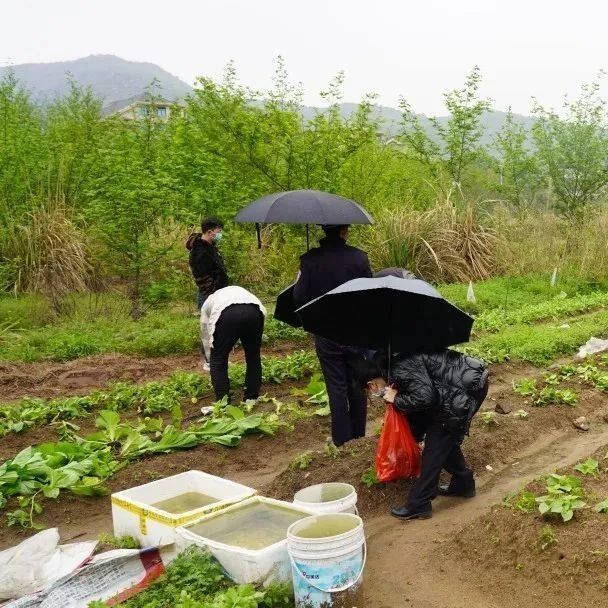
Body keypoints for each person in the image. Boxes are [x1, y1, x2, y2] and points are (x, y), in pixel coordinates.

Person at [355, 349, 489, 520]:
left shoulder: (398, 367)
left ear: (371, 384)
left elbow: (424, 397)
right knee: (444, 438)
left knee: (435, 445)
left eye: (372, 390)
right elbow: (422, 396)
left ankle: (419, 502)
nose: (375, 392)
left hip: (465, 388)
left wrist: (396, 399)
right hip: (462, 381)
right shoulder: (393, 364)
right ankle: (463, 483)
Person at [293, 224, 372, 447]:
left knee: (336, 386)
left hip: (326, 330)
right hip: (355, 331)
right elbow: (370, 294)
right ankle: (359, 437)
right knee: (357, 383)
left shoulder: (310, 260)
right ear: (344, 230)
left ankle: (341, 439)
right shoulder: (359, 258)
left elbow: (299, 297)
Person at [200, 286, 266, 403]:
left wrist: (209, 358)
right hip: (255, 311)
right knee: (253, 356)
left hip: (226, 313)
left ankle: (223, 401)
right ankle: (251, 397)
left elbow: (205, 334)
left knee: (218, 359)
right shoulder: (237, 291)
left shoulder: (207, 303)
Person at [186, 217, 229, 311]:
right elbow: (201, 276)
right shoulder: (200, 251)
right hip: (209, 296)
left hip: (216, 293)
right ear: (209, 232)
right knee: (208, 323)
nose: (220, 235)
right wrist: (213, 292)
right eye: (219, 232)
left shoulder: (210, 247)